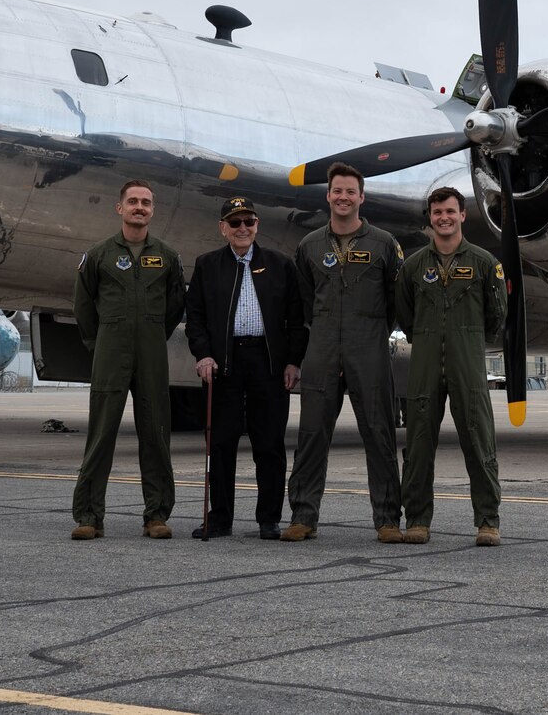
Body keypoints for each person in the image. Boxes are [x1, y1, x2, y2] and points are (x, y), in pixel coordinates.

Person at [283, 162, 406, 543]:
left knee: (379, 432)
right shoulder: (309, 246)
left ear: (361, 197)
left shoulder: (384, 243)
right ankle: (304, 516)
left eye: (350, 191)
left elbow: (395, 299)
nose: (343, 197)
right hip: (321, 347)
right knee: (311, 434)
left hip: (368, 346)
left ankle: (387, 519)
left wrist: (366, 334)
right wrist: (324, 339)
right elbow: (304, 301)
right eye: (337, 190)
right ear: (328, 196)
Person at [185, 196, 308, 540]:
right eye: (234, 222)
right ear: (222, 228)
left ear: (257, 225)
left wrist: (293, 361)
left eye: (248, 222)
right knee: (221, 442)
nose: (242, 228)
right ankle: (220, 517)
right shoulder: (207, 265)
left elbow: (297, 321)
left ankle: (269, 517)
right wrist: (203, 354)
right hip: (224, 363)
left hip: (267, 363)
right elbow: (194, 317)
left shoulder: (281, 265)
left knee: (268, 443)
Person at [70, 179, 186, 540]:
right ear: (119, 208)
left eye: (146, 203)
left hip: (151, 352)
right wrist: (100, 340)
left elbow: (175, 305)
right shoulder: (99, 255)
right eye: (133, 202)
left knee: (156, 433)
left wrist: (152, 334)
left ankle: (157, 515)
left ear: (152, 210)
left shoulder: (167, 256)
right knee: (101, 433)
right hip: (110, 350)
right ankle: (89, 516)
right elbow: (83, 305)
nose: (139, 207)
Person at [396, 186, 506, 547]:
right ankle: (417, 520)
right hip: (424, 364)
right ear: (430, 217)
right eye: (437, 212)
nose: (443, 217)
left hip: (468, 365)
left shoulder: (485, 264)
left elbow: (497, 316)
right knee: (418, 445)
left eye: (450, 211)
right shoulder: (413, 266)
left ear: (463, 215)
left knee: (479, 442)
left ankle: (488, 521)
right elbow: (406, 315)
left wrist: (465, 338)